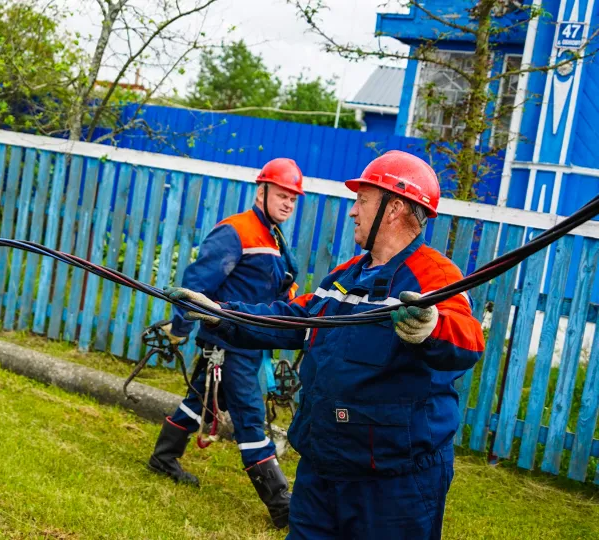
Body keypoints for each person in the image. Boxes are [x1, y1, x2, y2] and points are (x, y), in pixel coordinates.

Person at [168, 150, 485, 539]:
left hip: (393, 483)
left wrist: (432, 327)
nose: (353, 211)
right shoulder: (344, 276)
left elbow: (468, 339)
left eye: (362, 201)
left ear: (394, 208)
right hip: (323, 467)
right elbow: (293, 318)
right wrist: (223, 314)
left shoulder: (433, 275)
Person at [148, 158, 304, 530]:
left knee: (200, 400)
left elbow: (267, 283)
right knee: (251, 420)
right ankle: (282, 505)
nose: (288, 204)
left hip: (248, 340)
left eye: (293, 199)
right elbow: (196, 285)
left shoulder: (273, 236)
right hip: (229, 344)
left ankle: (163, 458)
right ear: (261, 191)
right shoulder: (236, 231)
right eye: (282, 195)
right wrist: (181, 329)